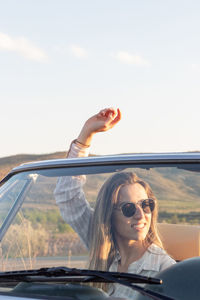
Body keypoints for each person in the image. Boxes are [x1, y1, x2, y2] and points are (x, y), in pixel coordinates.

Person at [54, 107, 175, 300]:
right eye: (128, 208)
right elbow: (67, 197)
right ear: (109, 215)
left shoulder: (165, 268)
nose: (140, 215)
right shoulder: (101, 243)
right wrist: (87, 134)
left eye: (146, 205)